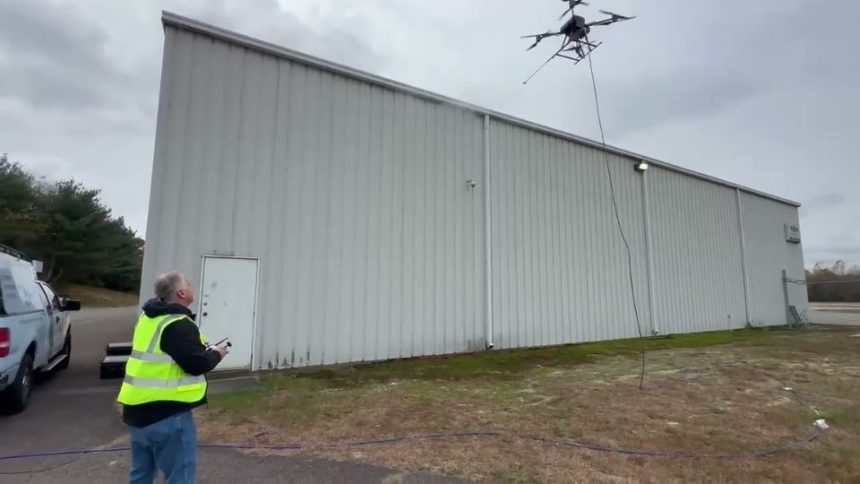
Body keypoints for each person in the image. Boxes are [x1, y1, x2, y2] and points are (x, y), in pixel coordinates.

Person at [117, 271, 229, 484]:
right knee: (181, 478)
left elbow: (168, 353)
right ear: (181, 292)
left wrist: (203, 348)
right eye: (187, 282)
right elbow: (197, 364)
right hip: (167, 416)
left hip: (136, 412)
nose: (191, 285)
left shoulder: (149, 317)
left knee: (140, 476)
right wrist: (216, 354)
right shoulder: (177, 323)